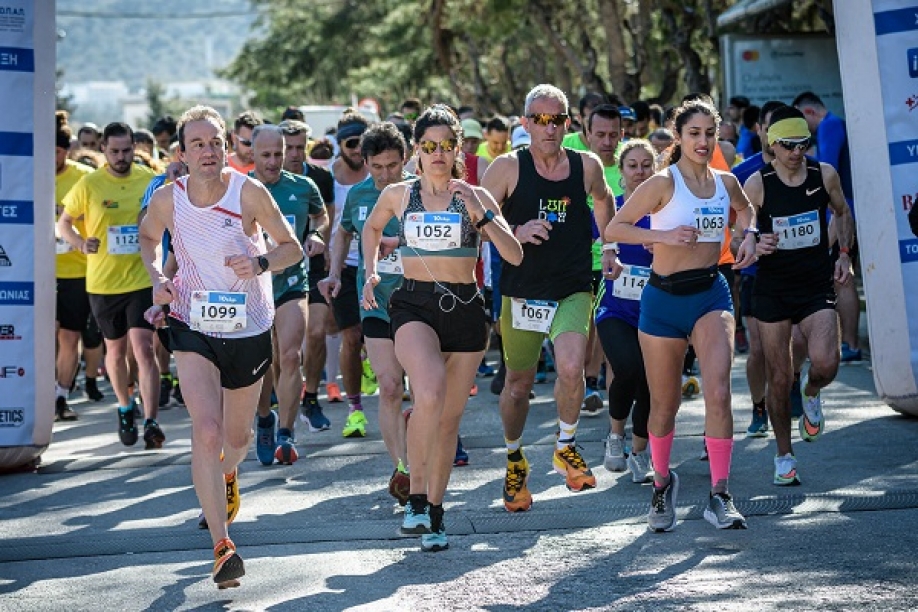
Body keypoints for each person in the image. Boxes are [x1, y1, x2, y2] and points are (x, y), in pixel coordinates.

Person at [139, 105, 303, 588]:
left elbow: (290, 245)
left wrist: (261, 263)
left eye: (215, 143)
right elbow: (149, 238)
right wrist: (156, 278)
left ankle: (228, 476)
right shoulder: (169, 199)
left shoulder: (247, 191)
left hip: (247, 325)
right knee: (205, 431)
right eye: (198, 144)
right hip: (191, 320)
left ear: (228, 147)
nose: (208, 152)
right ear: (182, 153)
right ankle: (222, 543)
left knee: (236, 441)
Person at [361, 105, 522, 551]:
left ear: (458, 149)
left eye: (445, 145)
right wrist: (372, 271)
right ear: (417, 150)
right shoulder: (399, 194)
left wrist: (481, 213)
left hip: (466, 310)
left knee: (448, 419)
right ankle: (413, 499)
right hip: (414, 303)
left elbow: (514, 255)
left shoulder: (475, 197)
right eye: (428, 146)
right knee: (427, 391)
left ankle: (434, 513)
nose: (437, 153)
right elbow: (371, 229)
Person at [605, 98, 758, 532]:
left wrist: (749, 235)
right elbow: (614, 229)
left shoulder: (727, 182)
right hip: (663, 300)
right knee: (664, 405)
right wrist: (665, 233)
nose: (704, 141)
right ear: (678, 137)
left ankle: (720, 494)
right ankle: (660, 483)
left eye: (710, 134)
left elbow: (746, 211)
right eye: (694, 133)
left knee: (720, 392)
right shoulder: (661, 184)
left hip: (710, 293)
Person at [482, 84, 618, 512]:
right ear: (525, 124)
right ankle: (514, 456)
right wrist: (514, 232)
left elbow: (604, 198)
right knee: (518, 385)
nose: (549, 128)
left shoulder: (586, 165)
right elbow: (477, 217)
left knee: (572, 367)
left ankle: (565, 443)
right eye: (540, 120)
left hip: (572, 285)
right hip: (522, 291)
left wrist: (609, 247)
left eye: (557, 119)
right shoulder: (506, 168)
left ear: (567, 124)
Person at [742, 106, 853, 485]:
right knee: (778, 377)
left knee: (826, 363)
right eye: (788, 145)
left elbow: (842, 212)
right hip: (772, 289)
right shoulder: (758, 183)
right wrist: (756, 241)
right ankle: (784, 456)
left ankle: (812, 390)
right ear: (772, 145)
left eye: (802, 144)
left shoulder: (824, 174)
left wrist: (842, 255)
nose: (796, 152)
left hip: (814, 284)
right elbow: (739, 232)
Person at [58, 122, 164, 449]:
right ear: (104, 149)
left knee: (144, 350)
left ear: (136, 148)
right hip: (103, 283)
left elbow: (168, 217)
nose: (121, 157)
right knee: (115, 353)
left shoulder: (147, 180)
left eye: (127, 151)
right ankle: (124, 407)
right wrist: (79, 242)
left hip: (141, 278)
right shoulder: (89, 184)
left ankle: (150, 420)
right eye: (115, 151)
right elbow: (63, 224)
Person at [332, 121, 413, 504]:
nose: (384, 174)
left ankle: (432, 443)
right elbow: (343, 232)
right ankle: (403, 469)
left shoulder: (422, 192)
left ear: (406, 160)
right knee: (391, 385)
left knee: (428, 388)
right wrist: (335, 273)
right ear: (364, 162)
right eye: (377, 166)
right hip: (376, 302)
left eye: (392, 166)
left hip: (418, 302)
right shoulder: (358, 196)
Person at [250, 124, 329, 465]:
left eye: (278, 154)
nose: (273, 161)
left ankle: (286, 431)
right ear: (251, 154)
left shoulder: (302, 185)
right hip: (254, 287)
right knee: (262, 362)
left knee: (291, 354)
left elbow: (322, 216)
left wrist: (318, 234)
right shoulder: (239, 188)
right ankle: (265, 416)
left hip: (293, 283)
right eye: (265, 155)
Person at [594, 139, 656, 483]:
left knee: (650, 381)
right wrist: (609, 254)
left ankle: (639, 451)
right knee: (628, 369)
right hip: (614, 308)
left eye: (646, 164)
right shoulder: (612, 207)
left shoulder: (666, 211)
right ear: (622, 170)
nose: (640, 171)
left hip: (655, 310)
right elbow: (599, 242)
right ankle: (615, 435)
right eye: (632, 165)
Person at [792, 91, 860, 364]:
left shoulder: (830, 125)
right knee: (840, 277)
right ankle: (849, 343)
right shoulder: (835, 123)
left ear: (809, 112)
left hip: (842, 212)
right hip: (843, 209)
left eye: (801, 119)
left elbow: (825, 167)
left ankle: (851, 344)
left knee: (841, 278)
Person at [322, 112, 372, 437]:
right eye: (351, 144)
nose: (357, 150)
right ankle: (355, 409)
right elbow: (330, 227)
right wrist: (331, 268)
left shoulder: (382, 172)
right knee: (350, 337)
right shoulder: (328, 177)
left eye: (362, 143)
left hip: (382, 266)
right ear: (339, 146)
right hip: (345, 267)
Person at [54, 112, 104, 421]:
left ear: (67, 150)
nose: (52, 159)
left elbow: (100, 215)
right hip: (37, 273)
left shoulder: (83, 177)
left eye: (57, 152)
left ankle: (61, 396)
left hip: (75, 271)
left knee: (70, 338)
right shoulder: (26, 173)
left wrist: (72, 219)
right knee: (46, 339)